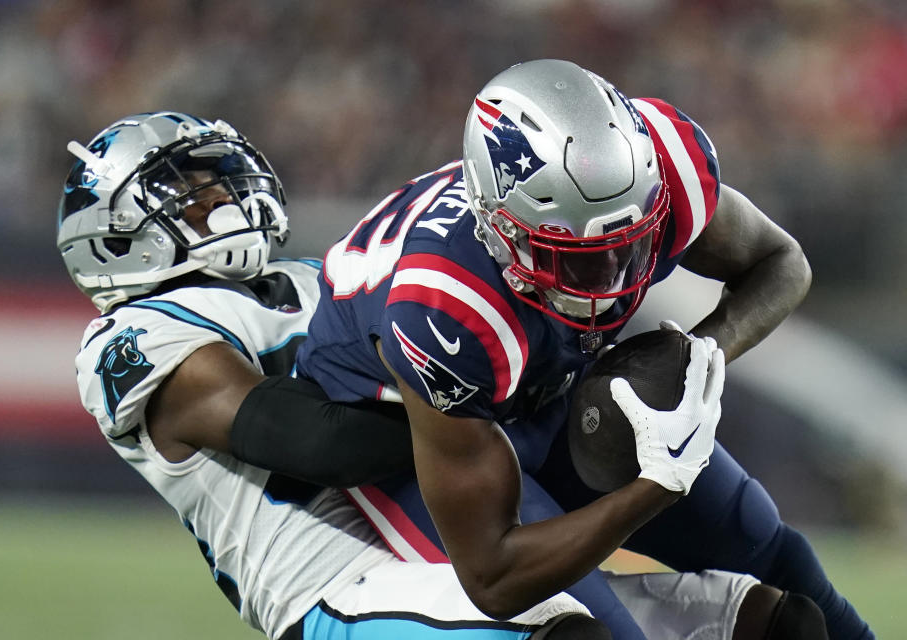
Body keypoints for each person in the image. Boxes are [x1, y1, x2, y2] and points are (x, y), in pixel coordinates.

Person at [58, 112, 816, 640]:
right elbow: (308, 439)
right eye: (194, 194)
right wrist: (477, 383)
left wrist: (479, 381)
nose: (226, 199)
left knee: (767, 622)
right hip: (334, 586)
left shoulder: (308, 278)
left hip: (434, 527)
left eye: (222, 182)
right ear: (114, 236)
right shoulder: (134, 337)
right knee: (568, 637)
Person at [294, 60, 868, 640]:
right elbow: (493, 574)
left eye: (632, 243)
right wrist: (654, 487)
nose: (614, 276)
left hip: (548, 381)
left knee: (762, 541)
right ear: (504, 233)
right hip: (412, 428)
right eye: (581, 258)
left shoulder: (665, 172)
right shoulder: (444, 309)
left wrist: (697, 361)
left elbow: (781, 263)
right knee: (592, 633)